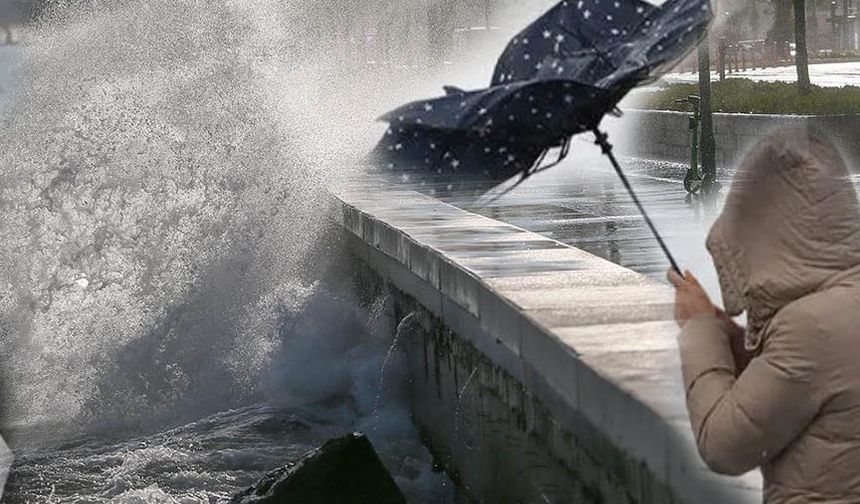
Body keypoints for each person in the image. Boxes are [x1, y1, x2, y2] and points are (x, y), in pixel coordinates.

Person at [669, 126, 860, 503]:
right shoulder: (839, 305)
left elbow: (724, 446)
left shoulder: (812, 327)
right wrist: (736, 342)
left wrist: (699, 329)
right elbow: (810, 384)